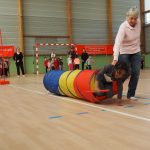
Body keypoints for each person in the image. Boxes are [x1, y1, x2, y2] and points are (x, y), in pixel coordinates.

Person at [112, 7, 141, 100]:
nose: (133, 20)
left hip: (136, 50)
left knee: (136, 72)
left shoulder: (139, 23)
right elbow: (117, 43)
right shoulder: (123, 27)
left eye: (135, 18)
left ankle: (131, 94)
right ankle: (113, 89)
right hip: (124, 52)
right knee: (125, 73)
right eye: (131, 18)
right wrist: (115, 58)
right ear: (127, 17)